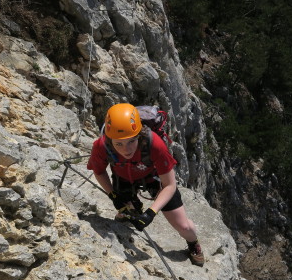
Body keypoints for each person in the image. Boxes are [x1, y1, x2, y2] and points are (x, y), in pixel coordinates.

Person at [87, 103, 205, 266]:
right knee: (126, 211)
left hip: (154, 179)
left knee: (185, 227)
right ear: (109, 139)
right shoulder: (102, 146)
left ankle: (193, 244)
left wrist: (151, 212)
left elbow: (170, 185)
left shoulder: (153, 144)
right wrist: (113, 195)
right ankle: (131, 208)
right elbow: (99, 171)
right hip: (123, 178)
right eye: (119, 143)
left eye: (131, 141)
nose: (125, 149)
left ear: (139, 135)